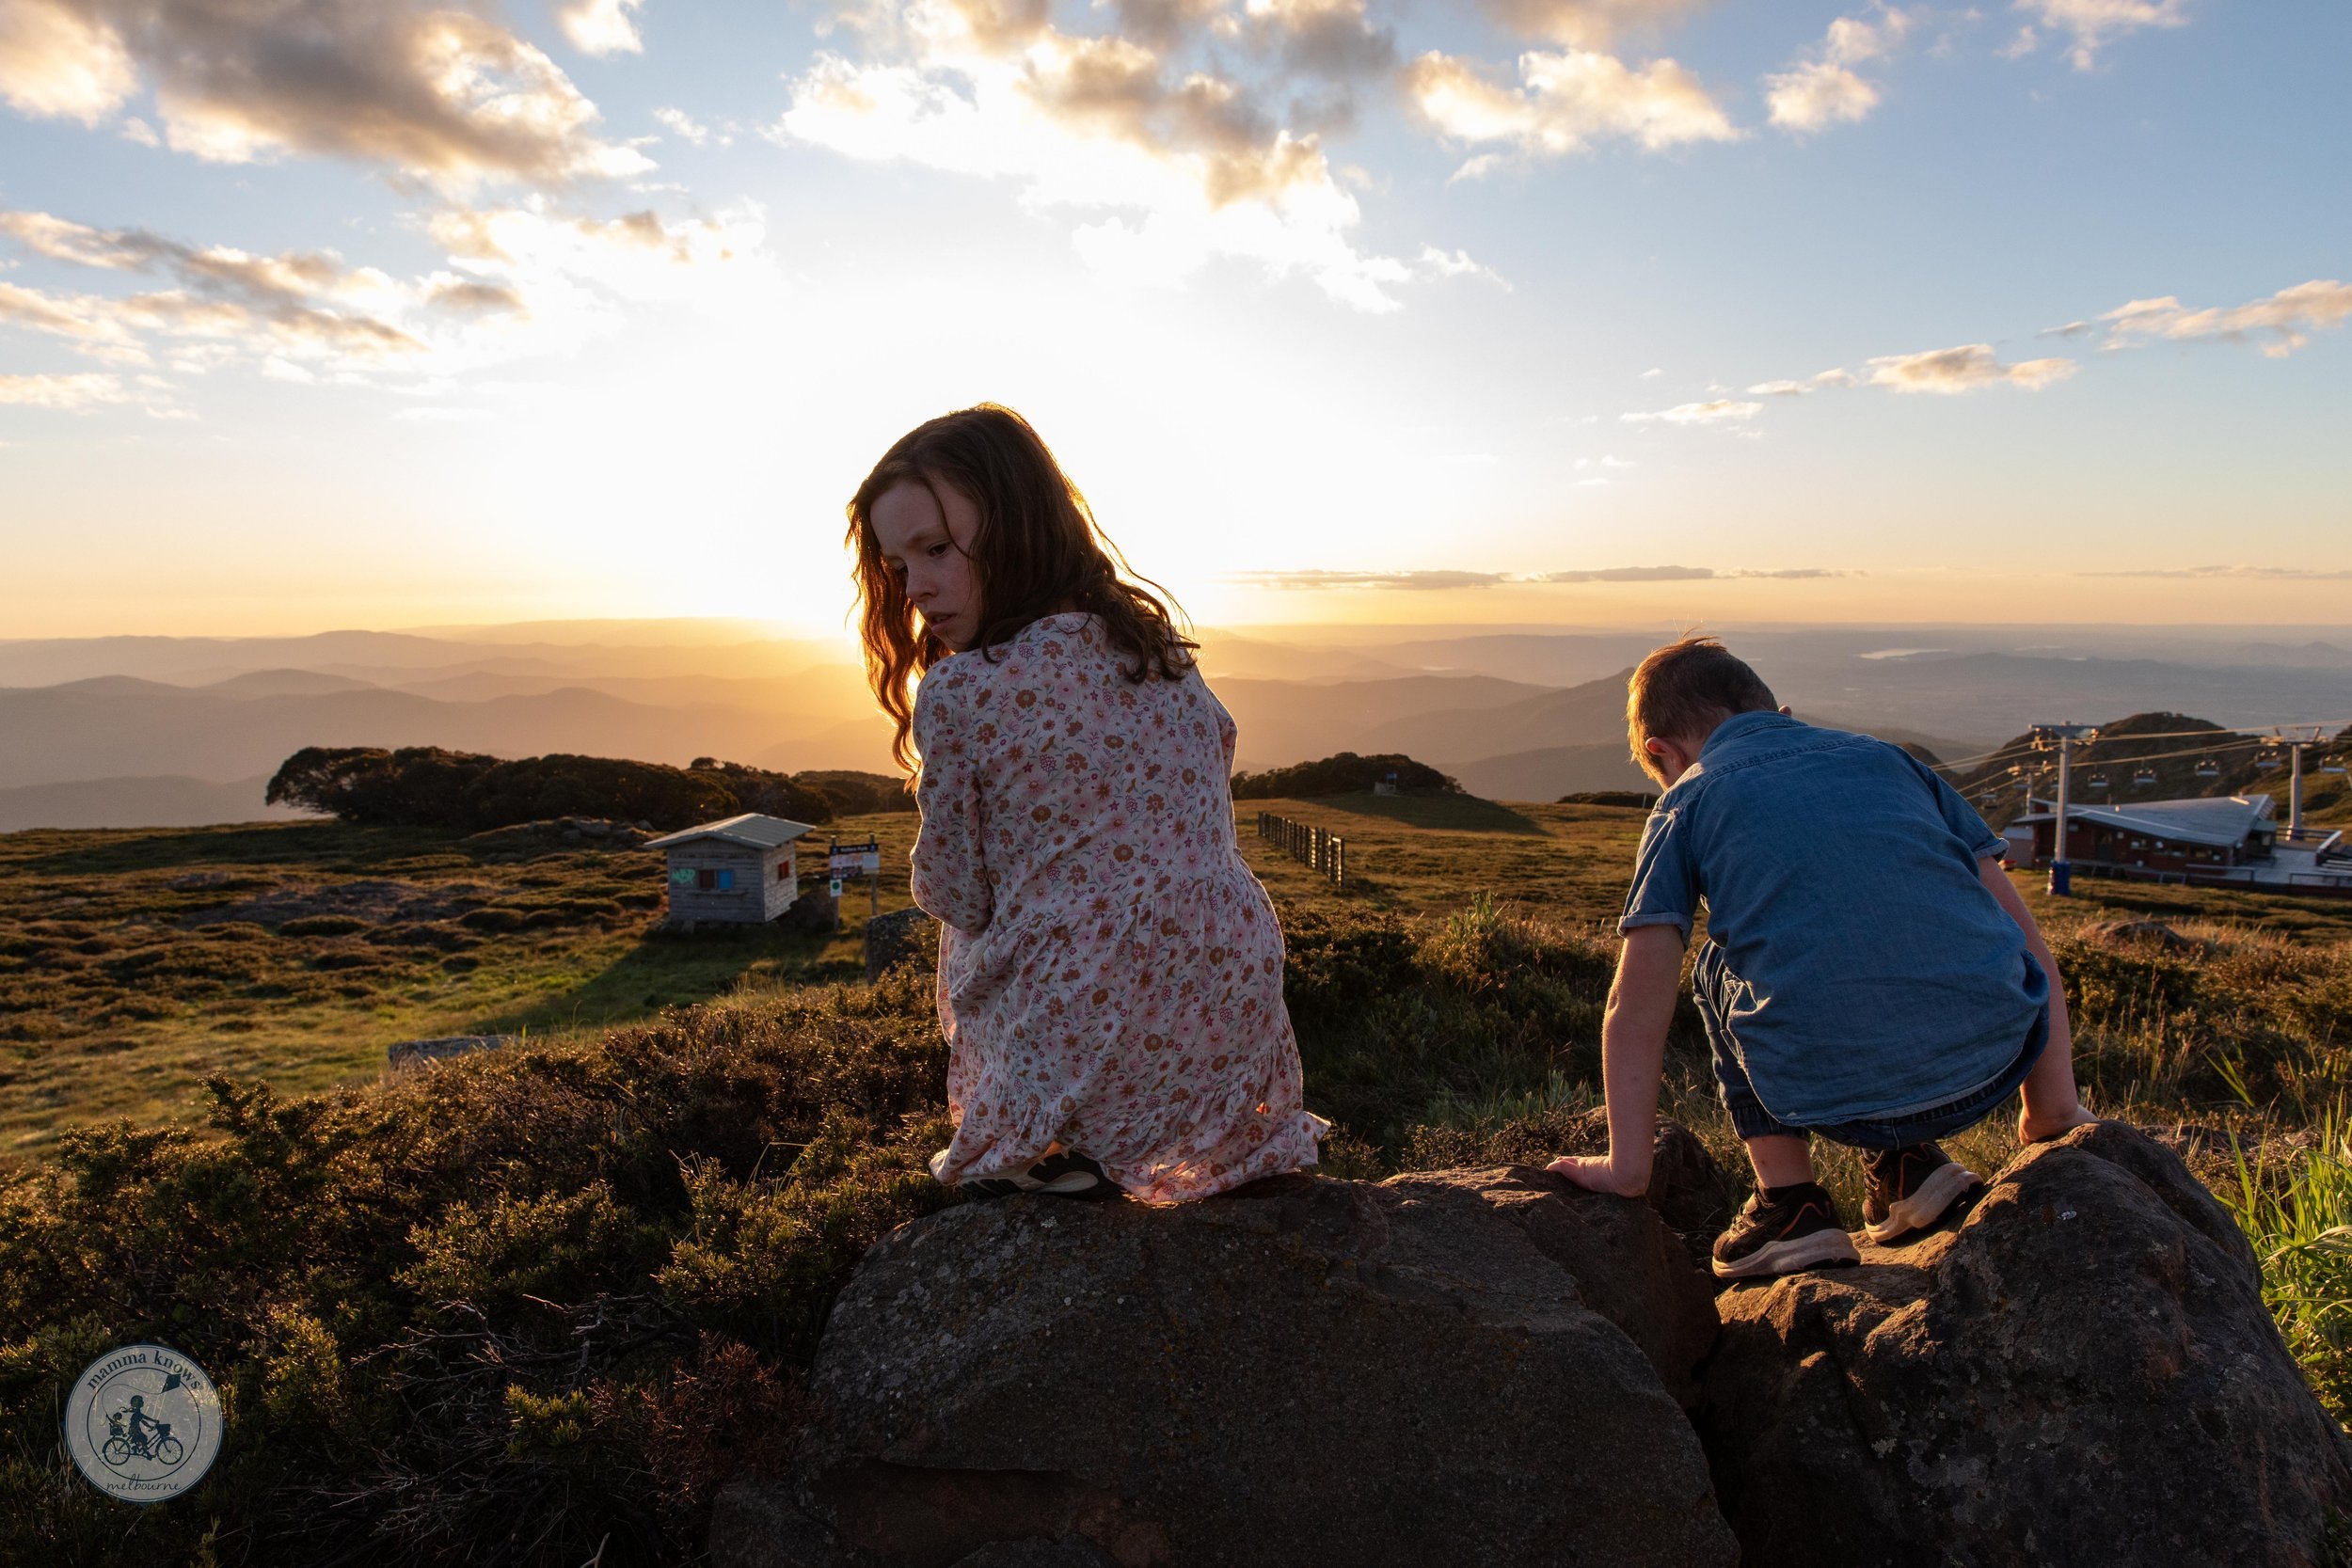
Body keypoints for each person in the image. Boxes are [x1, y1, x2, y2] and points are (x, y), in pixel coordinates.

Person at [845, 403, 1327, 1204]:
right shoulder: (1155, 649)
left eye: (936, 549)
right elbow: (1215, 759)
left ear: (1015, 526)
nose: (917, 586)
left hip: (1085, 1028)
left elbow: (956, 893)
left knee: (976, 932)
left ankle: (1040, 1141)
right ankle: (1166, 1135)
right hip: (1230, 1008)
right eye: (899, 566)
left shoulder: (963, 689)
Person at [1549, 637, 2095, 1277]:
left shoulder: (1687, 800)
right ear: (1780, 714)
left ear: (1660, 753)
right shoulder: (1890, 759)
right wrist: (2053, 1110)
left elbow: (1636, 1003)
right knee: (1886, 923)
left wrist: (1626, 1168)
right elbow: (2025, 939)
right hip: (1997, 1065)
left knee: (1717, 968)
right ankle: (1906, 1167)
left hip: (1832, 1095)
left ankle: (1790, 1206)